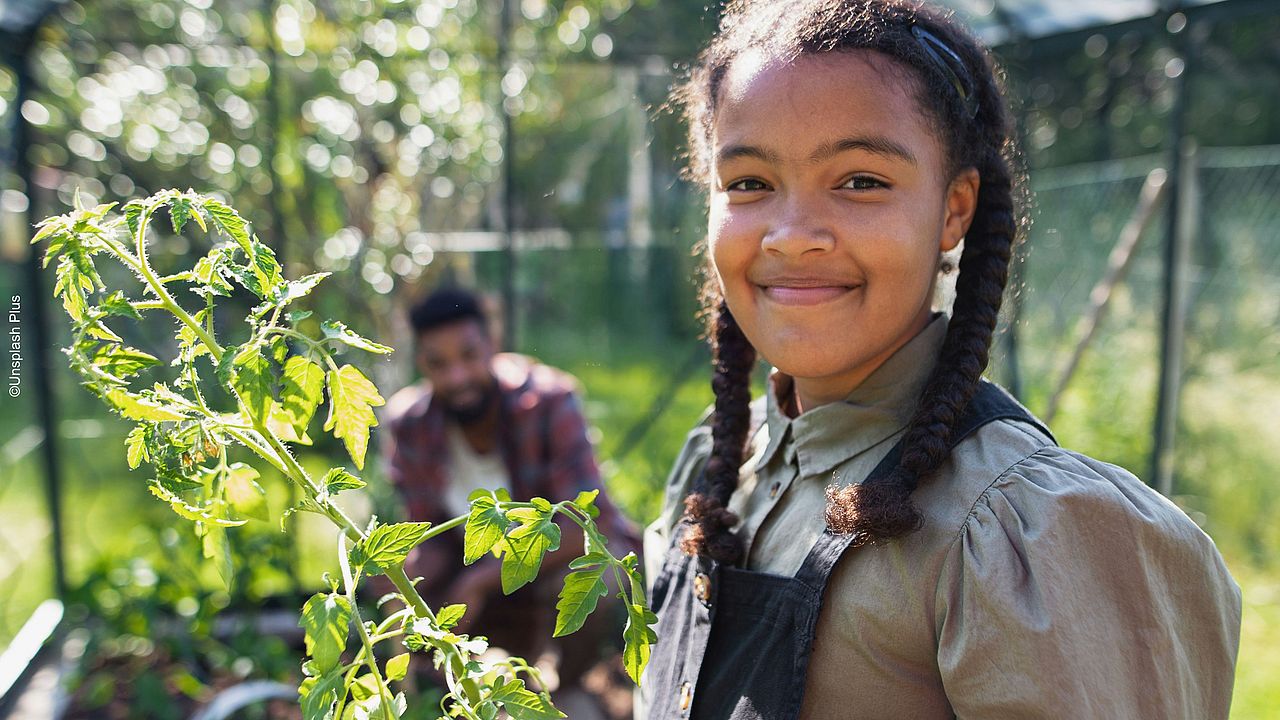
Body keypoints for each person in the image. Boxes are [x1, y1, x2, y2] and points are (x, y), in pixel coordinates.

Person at [639, 2, 1242, 719]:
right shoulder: (717, 465)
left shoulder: (1025, 531)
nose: (792, 236)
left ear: (955, 208)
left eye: (860, 180)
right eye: (748, 184)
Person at [381, 287, 637, 718]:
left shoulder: (547, 401)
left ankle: (566, 684)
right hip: (479, 578)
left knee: (599, 573)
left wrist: (479, 581)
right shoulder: (412, 423)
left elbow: (585, 526)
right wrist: (404, 588)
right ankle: (445, 690)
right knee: (400, 583)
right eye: (438, 364)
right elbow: (423, 529)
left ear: (492, 346)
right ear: (420, 364)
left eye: (468, 355)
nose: (457, 377)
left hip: (543, 570)